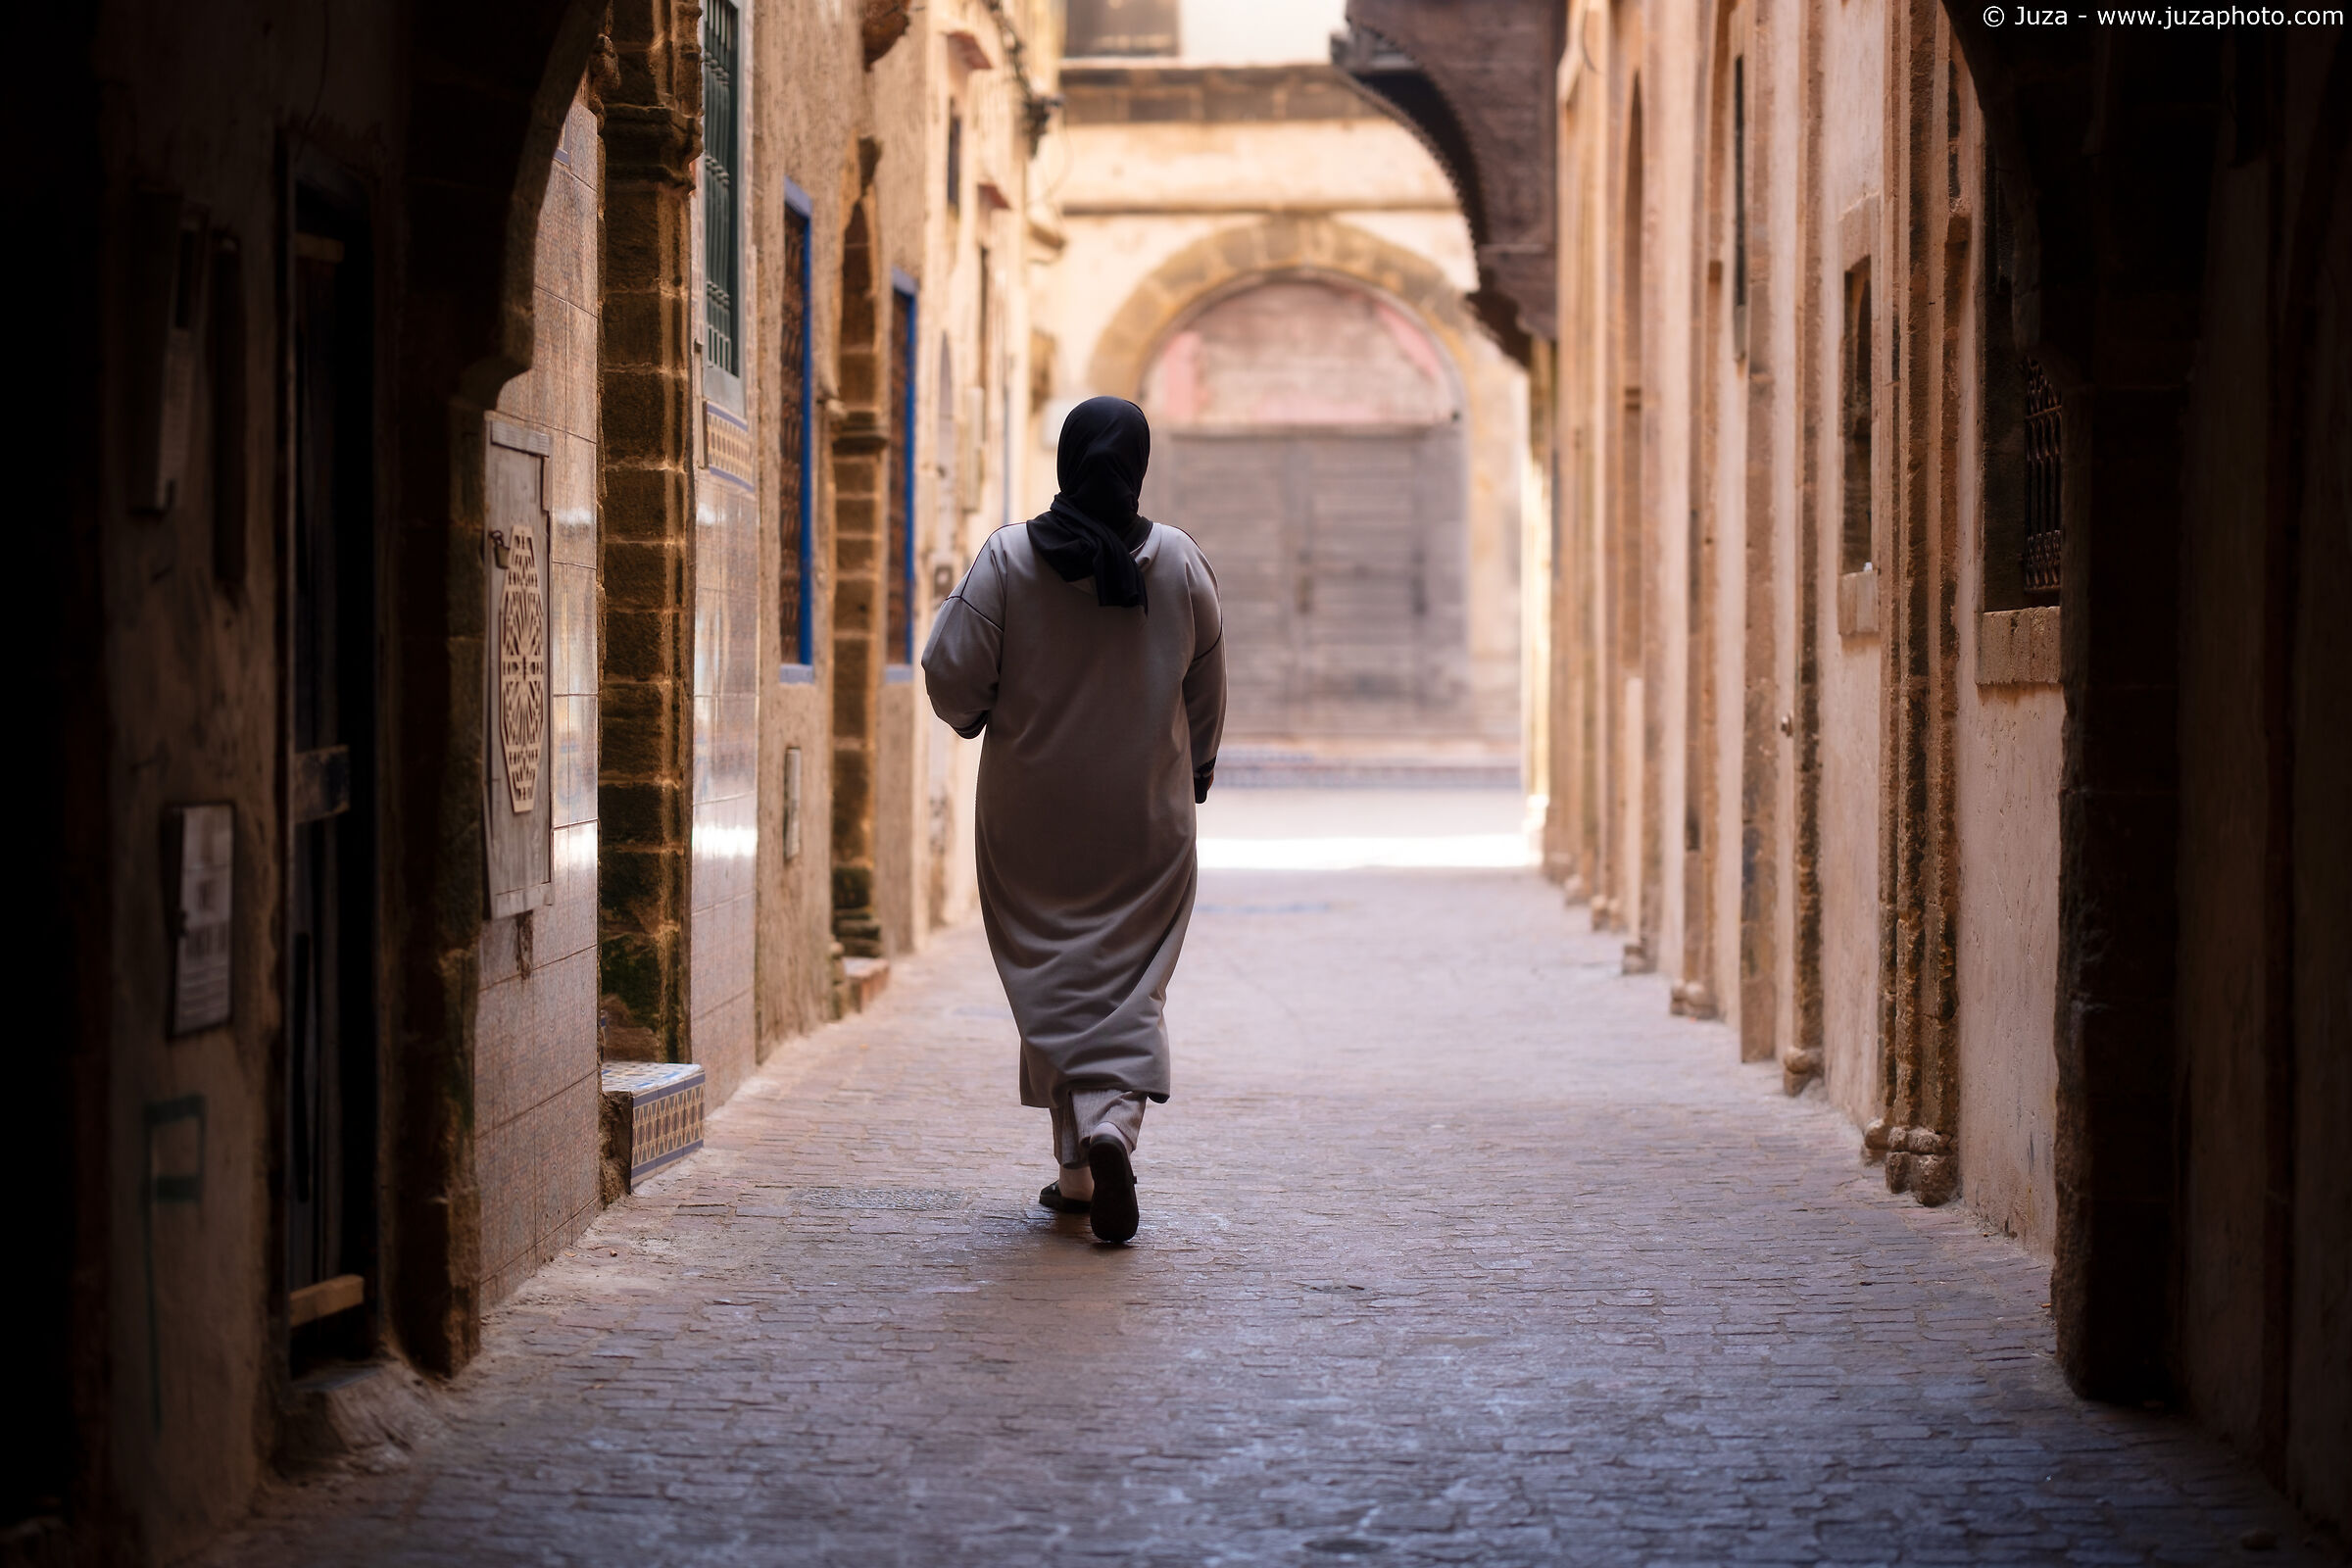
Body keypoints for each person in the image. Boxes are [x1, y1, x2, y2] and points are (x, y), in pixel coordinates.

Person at [921, 396, 1226, 1244]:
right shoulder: (1181, 563)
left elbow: (953, 680)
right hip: (1147, 820)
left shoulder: (1009, 559)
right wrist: (1194, 772)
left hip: (1032, 819)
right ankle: (1101, 1141)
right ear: (1138, 465)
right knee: (1128, 983)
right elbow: (1206, 691)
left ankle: (1082, 1169)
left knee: (1053, 977)